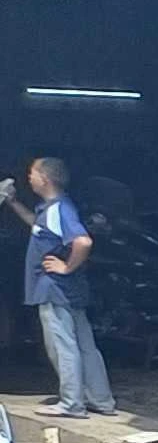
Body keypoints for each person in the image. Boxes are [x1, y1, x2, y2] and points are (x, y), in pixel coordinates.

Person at [16, 153, 113, 419]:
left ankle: (71, 402)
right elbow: (39, 229)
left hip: (55, 288)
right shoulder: (52, 210)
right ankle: (101, 400)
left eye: (32, 173)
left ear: (44, 178)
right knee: (84, 345)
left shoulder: (59, 209)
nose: (29, 178)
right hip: (70, 290)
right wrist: (12, 202)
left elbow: (83, 241)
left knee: (63, 346)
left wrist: (66, 266)